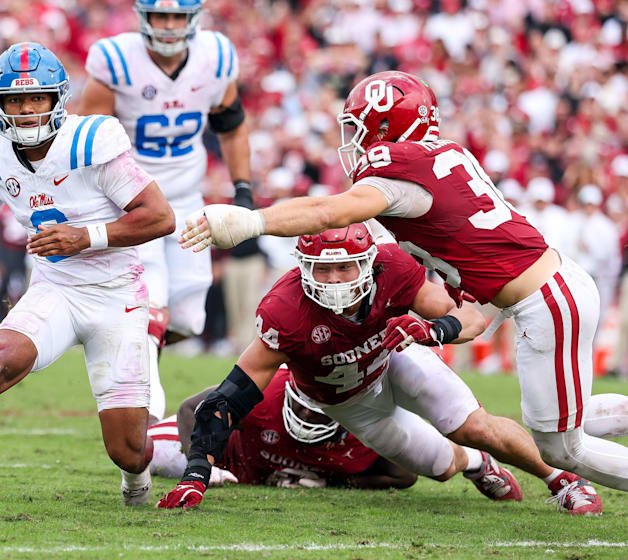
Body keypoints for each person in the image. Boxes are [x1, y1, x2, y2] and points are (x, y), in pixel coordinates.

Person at [180, 70, 628, 498]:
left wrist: (253, 220)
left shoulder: (400, 167)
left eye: (361, 128)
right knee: (565, 422)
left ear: (387, 127)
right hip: (552, 288)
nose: (353, 142)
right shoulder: (445, 154)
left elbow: (330, 212)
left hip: (544, 300)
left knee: (559, 448)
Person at [159, 223, 601, 515]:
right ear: (303, 267)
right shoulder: (284, 311)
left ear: (367, 262)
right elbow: (228, 398)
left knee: (474, 425)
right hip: (351, 405)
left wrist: (433, 330)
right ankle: (476, 465)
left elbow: (471, 319)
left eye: (343, 266)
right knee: (439, 464)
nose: (333, 279)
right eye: (322, 268)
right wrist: (197, 471)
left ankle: (562, 481)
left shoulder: (393, 267)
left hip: (397, 355)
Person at [0, 43, 175, 505]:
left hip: (116, 296)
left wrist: (85, 237)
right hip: (56, 289)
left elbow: (159, 217)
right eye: (14, 100)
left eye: (36, 99)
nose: (26, 110)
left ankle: (138, 474)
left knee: (126, 450)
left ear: (57, 99)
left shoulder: (92, 142)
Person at [78, 0, 253, 421]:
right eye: (161, 16)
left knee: (189, 319)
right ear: (144, 17)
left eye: (177, 16)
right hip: (132, 199)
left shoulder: (215, 58)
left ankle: (120, 346)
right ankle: (148, 419)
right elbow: (87, 137)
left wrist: (243, 187)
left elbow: (230, 126)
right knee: (150, 304)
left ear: (193, 18)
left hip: (188, 199)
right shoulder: (115, 60)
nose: (170, 25)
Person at [150, 366, 418, 491]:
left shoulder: (359, 433)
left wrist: (337, 482)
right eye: (302, 404)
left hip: (256, 472)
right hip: (221, 454)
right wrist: (200, 467)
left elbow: (404, 475)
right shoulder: (267, 393)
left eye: (317, 410)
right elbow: (190, 410)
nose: (305, 414)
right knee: (139, 449)